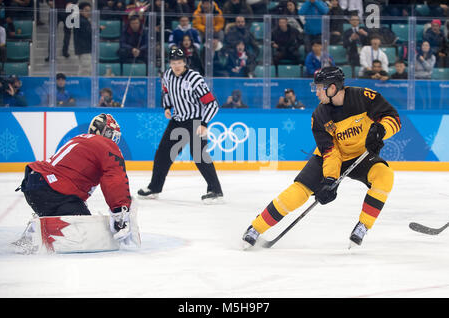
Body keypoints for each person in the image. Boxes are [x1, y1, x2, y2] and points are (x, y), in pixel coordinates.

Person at [242, 66, 401, 249]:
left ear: (333, 88)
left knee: (384, 176)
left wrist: (381, 130)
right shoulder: (319, 115)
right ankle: (256, 227)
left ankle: (363, 225)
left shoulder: (364, 97)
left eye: (319, 87)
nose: (316, 92)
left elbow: (393, 118)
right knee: (299, 192)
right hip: (330, 158)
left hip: (360, 155)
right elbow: (329, 151)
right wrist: (330, 180)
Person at [14, 114, 138, 252]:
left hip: (34, 184)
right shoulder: (105, 145)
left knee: (74, 214)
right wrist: (120, 211)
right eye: (111, 134)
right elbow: (115, 178)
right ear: (104, 131)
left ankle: (38, 227)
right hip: (52, 190)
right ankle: (38, 235)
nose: (113, 140)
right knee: (84, 230)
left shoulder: (79, 139)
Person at [137, 48, 224, 203]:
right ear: (170, 64)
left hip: (196, 120)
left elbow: (212, 104)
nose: (176, 66)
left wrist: (204, 123)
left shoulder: (195, 78)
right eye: (173, 62)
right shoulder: (167, 75)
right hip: (177, 120)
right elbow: (166, 92)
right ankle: (154, 187)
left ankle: (215, 190)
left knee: (199, 155)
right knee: (163, 153)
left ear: (185, 63)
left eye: (179, 62)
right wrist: (167, 107)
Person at [73, 2, 92, 76]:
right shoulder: (82, 21)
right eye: (86, 10)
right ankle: (83, 85)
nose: (88, 13)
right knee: (85, 69)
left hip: (83, 48)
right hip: (84, 49)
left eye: (89, 10)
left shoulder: (82, 20)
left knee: (84, 68)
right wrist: (97, 29)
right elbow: (88, 34)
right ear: (80, 10)